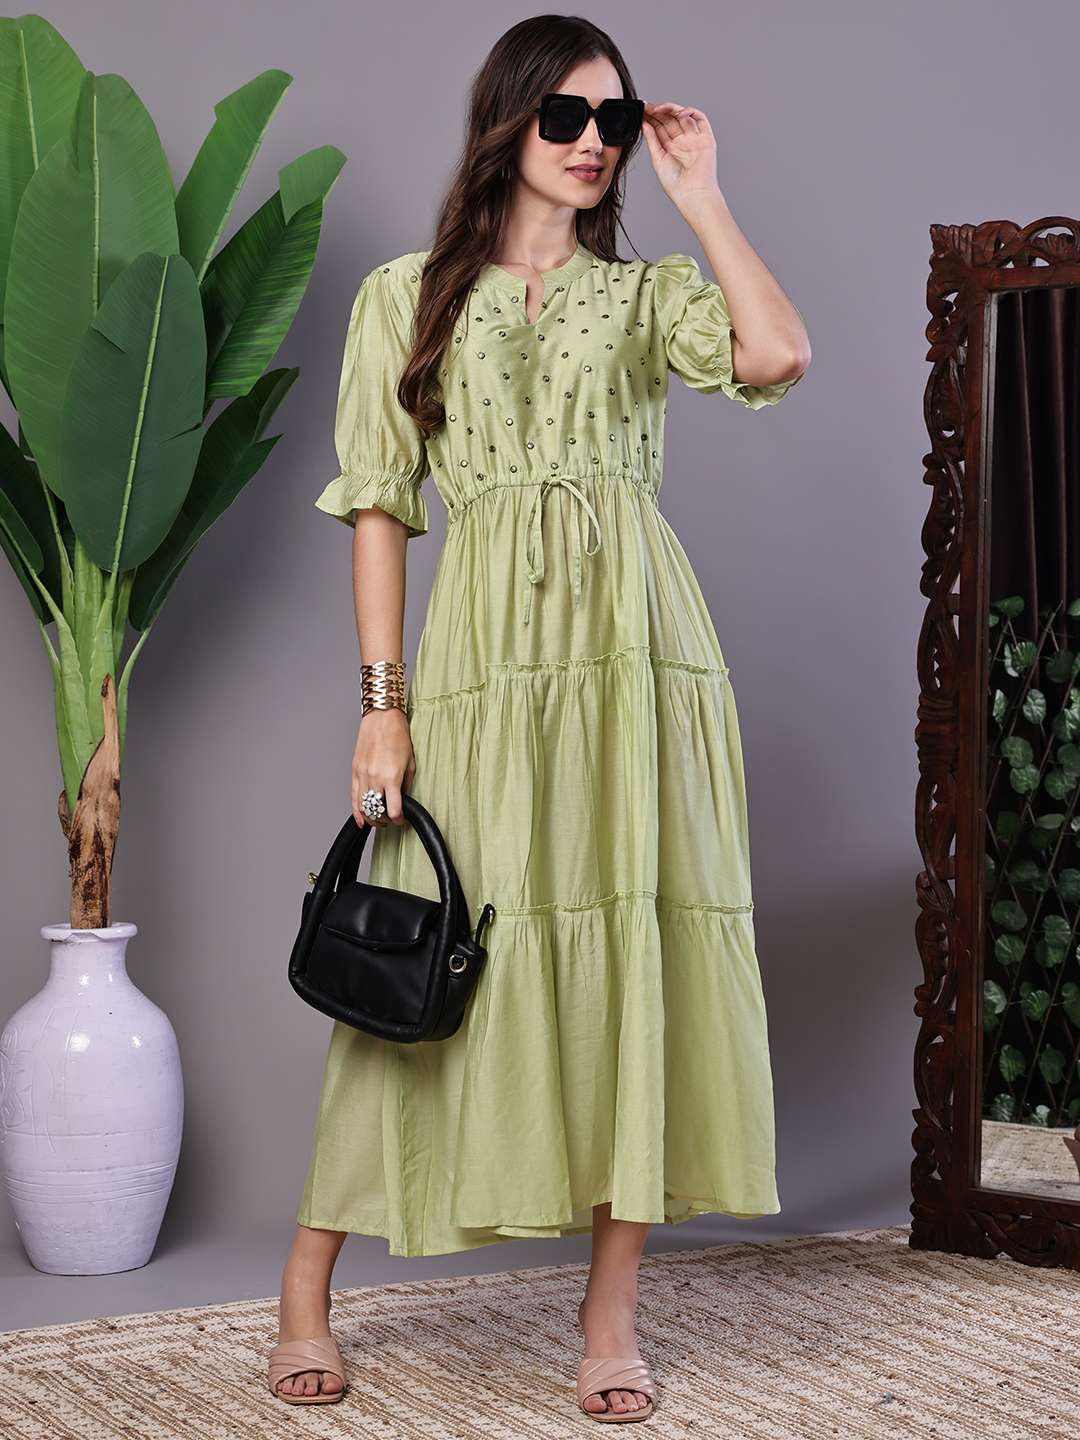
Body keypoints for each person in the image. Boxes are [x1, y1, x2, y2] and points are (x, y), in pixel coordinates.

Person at [268, 13, 810, 1422]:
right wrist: (381, 707)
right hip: (484, 667)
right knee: (437, 957)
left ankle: (609, 1316)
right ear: (506, 119)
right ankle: (306, 1289)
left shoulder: (644, 297)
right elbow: (379, 509)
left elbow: (776, 354)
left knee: (633, 952)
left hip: (639, 662)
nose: (591, 144)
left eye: (613, 123)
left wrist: (701, 196)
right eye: (565, 115)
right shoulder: (405, 298)